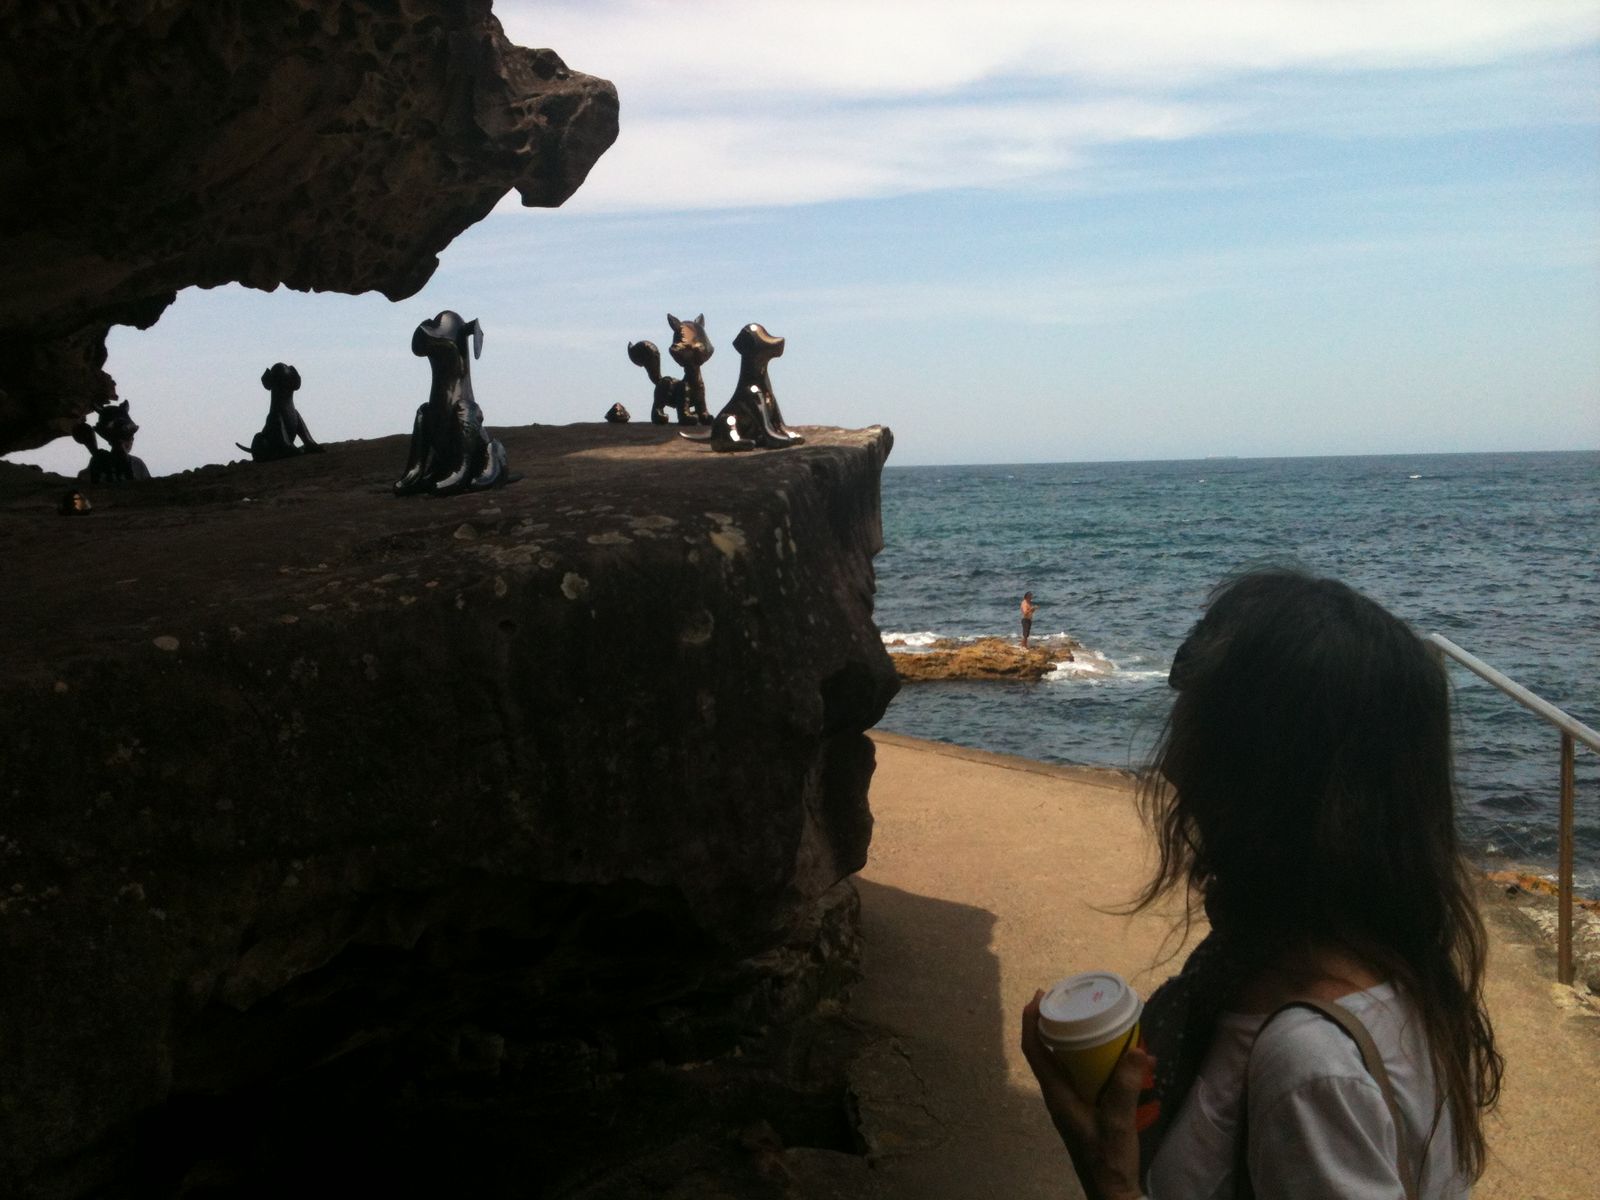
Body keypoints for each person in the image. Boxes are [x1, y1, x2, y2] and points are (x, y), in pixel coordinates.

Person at [1020, 568, 1502, 1200]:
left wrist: (1111, 1179)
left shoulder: (1308, 1066)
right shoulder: (1393, 961)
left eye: (1197, 731)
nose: (1173, 765)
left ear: (1255, 782)